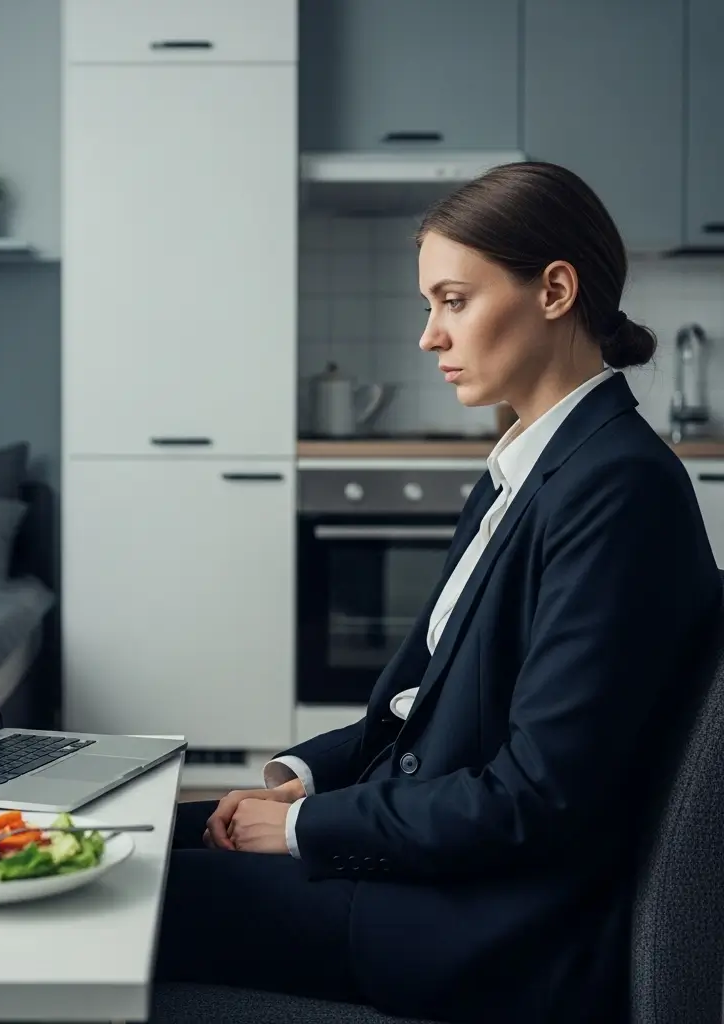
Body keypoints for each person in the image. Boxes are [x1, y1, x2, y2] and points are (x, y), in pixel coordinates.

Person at [153, 161, 723, 1024]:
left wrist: (310, 833)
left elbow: (537, 798)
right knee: (130, 846)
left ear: (555, 290)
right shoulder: (526, 471)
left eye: (453, 300)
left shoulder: (618, 487)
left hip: (489, 931)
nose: (429, 335)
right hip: (445, 882)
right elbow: (418, 709)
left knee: (101, 897)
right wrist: (302, 785)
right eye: (431, 306)